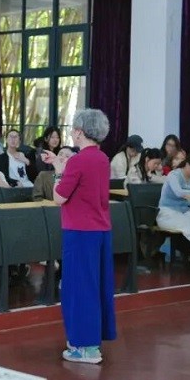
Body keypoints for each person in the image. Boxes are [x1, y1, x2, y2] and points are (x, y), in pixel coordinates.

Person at [42, 109, 115, 364]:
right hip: (100, 230)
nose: (72, 132)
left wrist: (59, 172)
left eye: (74, 129)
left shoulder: (78, 161)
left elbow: (59, 197)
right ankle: (91, 341)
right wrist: (63, 165)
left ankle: (84, 347)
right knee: (95, 285)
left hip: (79, 231)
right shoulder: (102, 158)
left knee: (78, 288)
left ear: (80, 132)